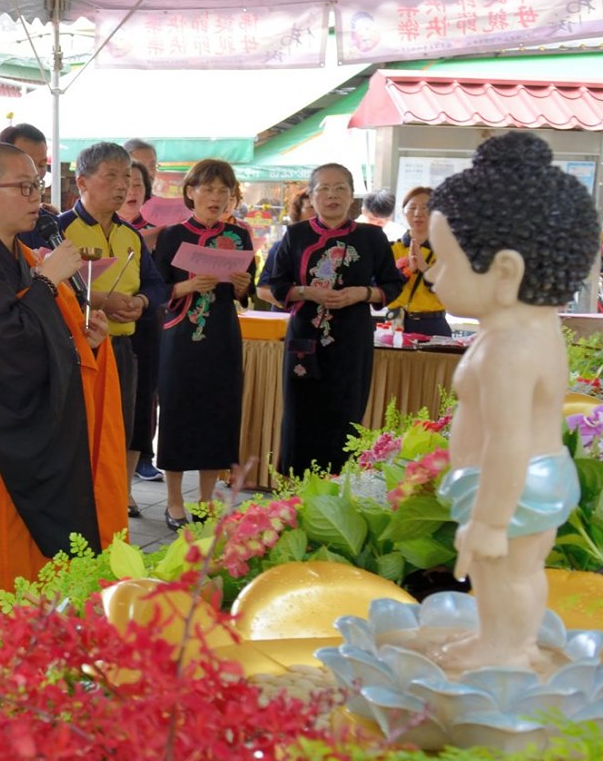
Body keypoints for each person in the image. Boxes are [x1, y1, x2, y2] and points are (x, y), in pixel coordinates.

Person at [0, 143, 127, 635]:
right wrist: (42, 282)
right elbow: (6, 343)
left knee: (32, 552)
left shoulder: (26, 255)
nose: (37, 196)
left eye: (38, 185)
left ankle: (40, 647)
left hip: (30, 427)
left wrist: (85, 339)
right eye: (25, 186)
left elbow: (45, 335)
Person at [425, 133, 594, 668]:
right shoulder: (528, 329)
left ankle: (507, 646)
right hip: (517, 481)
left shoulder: (510, 348)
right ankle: (499, 637)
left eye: (444, 262)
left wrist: (492, 520)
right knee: (505, 571)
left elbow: (508, 440)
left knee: (510, 568)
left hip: (515, 485)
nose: (431, 274)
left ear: (504, 274)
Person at [264, 164, 404, 479]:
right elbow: (277, 285)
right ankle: (297, 492)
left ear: (352, 195)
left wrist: (363, 293)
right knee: (301, 414)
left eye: (340, 188)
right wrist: (307, 292)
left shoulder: (372, 237)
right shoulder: (296, 234)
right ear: (311, 197)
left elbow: (393, 284)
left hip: (351, 340)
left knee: (346, 413)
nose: (332, 195)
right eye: (324, 189)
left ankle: (341, 491)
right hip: (305, 341)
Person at [153, 160, 254, 526]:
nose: (215, 197)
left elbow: (249, 288)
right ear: (190, 192)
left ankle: (208, 501)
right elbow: (156, 288)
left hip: (222, 336)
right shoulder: (171, 235)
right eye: (208, 189)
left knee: (219, 414)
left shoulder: (240, 235)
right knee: (178, 413)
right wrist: (185, 286)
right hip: (180, 338)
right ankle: (174, 500)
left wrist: (244, 287)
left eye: (223, 191)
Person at [53, 143, 152, 513]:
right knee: (75, 434)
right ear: (82, 182)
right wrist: (98, 300)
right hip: (73, 350)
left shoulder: (132, 235)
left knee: (115, 432)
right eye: (111, 176)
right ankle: (72, 507)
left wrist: (140, 303)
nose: (122, 186)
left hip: (121, 349)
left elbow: (155, 285)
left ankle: (108, 505)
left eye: (127, 177)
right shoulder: (58, 229)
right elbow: (44, 283)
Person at [122, 160, 167, 484]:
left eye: (138, 184)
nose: (129, 190)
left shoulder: (161, 231)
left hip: (146, 324)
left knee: (141, 399)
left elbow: (161, 283)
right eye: (124, 180)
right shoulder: (71, 226)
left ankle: (134, 471)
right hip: (99, 328)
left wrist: (143, 300)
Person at [390, 185, 450, 336]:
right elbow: (382, 286)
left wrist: (424, 268)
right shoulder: (391, 248)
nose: (418, 214)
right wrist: (408, 270)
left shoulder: (446, 251)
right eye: (412, 208)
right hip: (396, 323)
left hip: (433, 325)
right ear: (403, 212)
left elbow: (449, 291)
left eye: (426, 208)